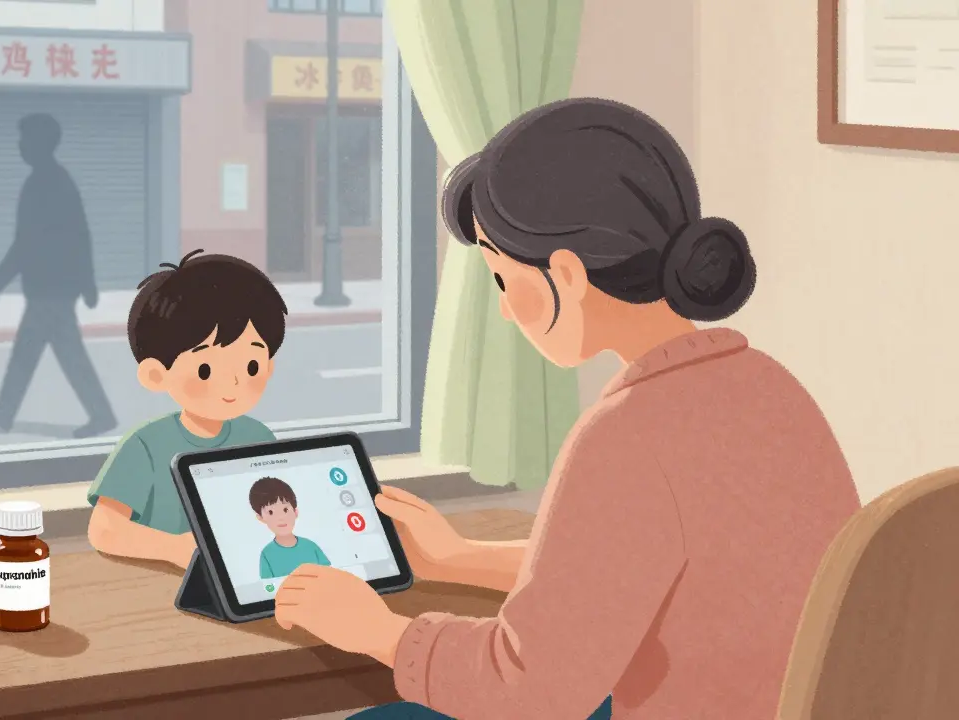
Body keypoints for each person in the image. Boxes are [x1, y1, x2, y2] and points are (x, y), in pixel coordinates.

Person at [271, 98, 860, 720]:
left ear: (567, 275)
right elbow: (618, 575)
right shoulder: (769, 387)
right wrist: (453, 558)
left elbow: (529, 692)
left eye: (504, 280)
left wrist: (378, 631)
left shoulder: (627, 435)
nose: (503, 309)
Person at [86, 250, 286, 569]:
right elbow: (104, 529)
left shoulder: (258, 436)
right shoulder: (145, 446)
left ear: (269, 366)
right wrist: (176, 549)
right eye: (205, 370)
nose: (233, 383)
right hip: (161, 579)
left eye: (250, 365)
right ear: (156, 374)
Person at [0, 112, 116, 440]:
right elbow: (79, 234)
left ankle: (99, 414)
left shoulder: (46, 183)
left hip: (51, 289)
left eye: (24, 139)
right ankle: (6, 412)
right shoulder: (50, 180)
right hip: (53, 287)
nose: (19, 145)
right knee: (34, 351)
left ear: (39, 143)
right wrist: (87, 282)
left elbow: (32, 242)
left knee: (59, 355)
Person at [251, 476, 330, 578]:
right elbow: (269, 587)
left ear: (295, 512)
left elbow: (328, 575)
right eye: (271, 512)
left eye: (285, 510)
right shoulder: (267, 554)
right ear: (260, 518)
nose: (280, 518)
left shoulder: (311, 546)